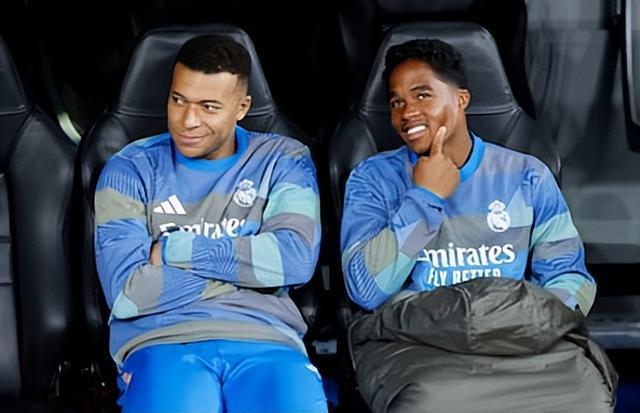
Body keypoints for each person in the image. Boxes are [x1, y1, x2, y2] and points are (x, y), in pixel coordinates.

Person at [340, 39, 614, 412]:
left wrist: (532, 320)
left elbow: (569, 275)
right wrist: (425, 198)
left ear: (461, 99)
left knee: (589, 396)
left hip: (517, 335)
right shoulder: (373, 179)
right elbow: (366, 290)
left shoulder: (526, 175)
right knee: (428, 403)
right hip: (419, 341)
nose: (407, 112)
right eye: (396, 102)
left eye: (422, 95)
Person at [94, 34, 327, 413]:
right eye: (178, 100)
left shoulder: (283, 159)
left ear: (242, 107)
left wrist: (173, 250)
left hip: (267, 339)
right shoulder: (129, 168)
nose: (188, 121)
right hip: (161, 340)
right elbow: (128, 293)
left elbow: (294, 261)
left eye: (208, 107)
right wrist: (253, 277)